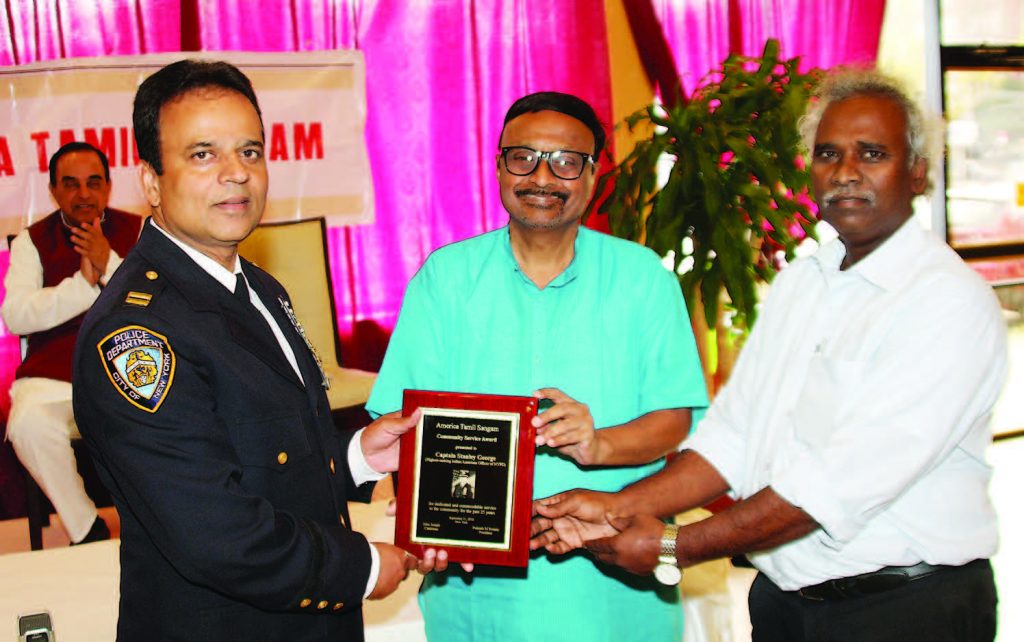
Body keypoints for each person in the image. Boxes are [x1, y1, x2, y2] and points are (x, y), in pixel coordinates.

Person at [532, 70, 1007, 642]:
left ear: (918, 171)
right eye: (829, 153)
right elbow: (734, 439)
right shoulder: (805, 280)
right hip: (785, 606)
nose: (847, 171)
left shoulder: (945, 302)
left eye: (873, 153)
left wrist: (671, 546)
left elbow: (832, 487)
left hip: (900, 610)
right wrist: (617, 506)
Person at [72, 59, 429, 641]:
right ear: (152, 181)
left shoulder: (258, 285)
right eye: (203, 154)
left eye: (251, 152)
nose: (237, 174)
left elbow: (267, 460)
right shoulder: (136, 336)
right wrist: (361, 567)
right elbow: (216, 532)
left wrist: (360, 456)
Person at [366, 92, 708, 641]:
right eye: (523, 157)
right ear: (499, 166)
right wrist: (427, 512)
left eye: (566, 162)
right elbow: (406, 428)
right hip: (476, 593)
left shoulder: (643, 279)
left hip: (615, 587)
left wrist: (600, 444)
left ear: (593, 175)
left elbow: (675, 422)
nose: (542, 177)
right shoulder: (446, 280)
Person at [2, 141, 141, 544]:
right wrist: (83, 284)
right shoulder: (32, 241)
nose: (83, 194)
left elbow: (161, 304)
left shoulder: (139, 231)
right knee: (28, 423)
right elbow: (17, 315)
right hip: (52, 377)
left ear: (109, 187)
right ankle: (86, 528)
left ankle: (163, 527)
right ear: (54, 191)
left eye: (93, 182)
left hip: (127, 372)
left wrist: (109, 264)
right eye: (71, 184)